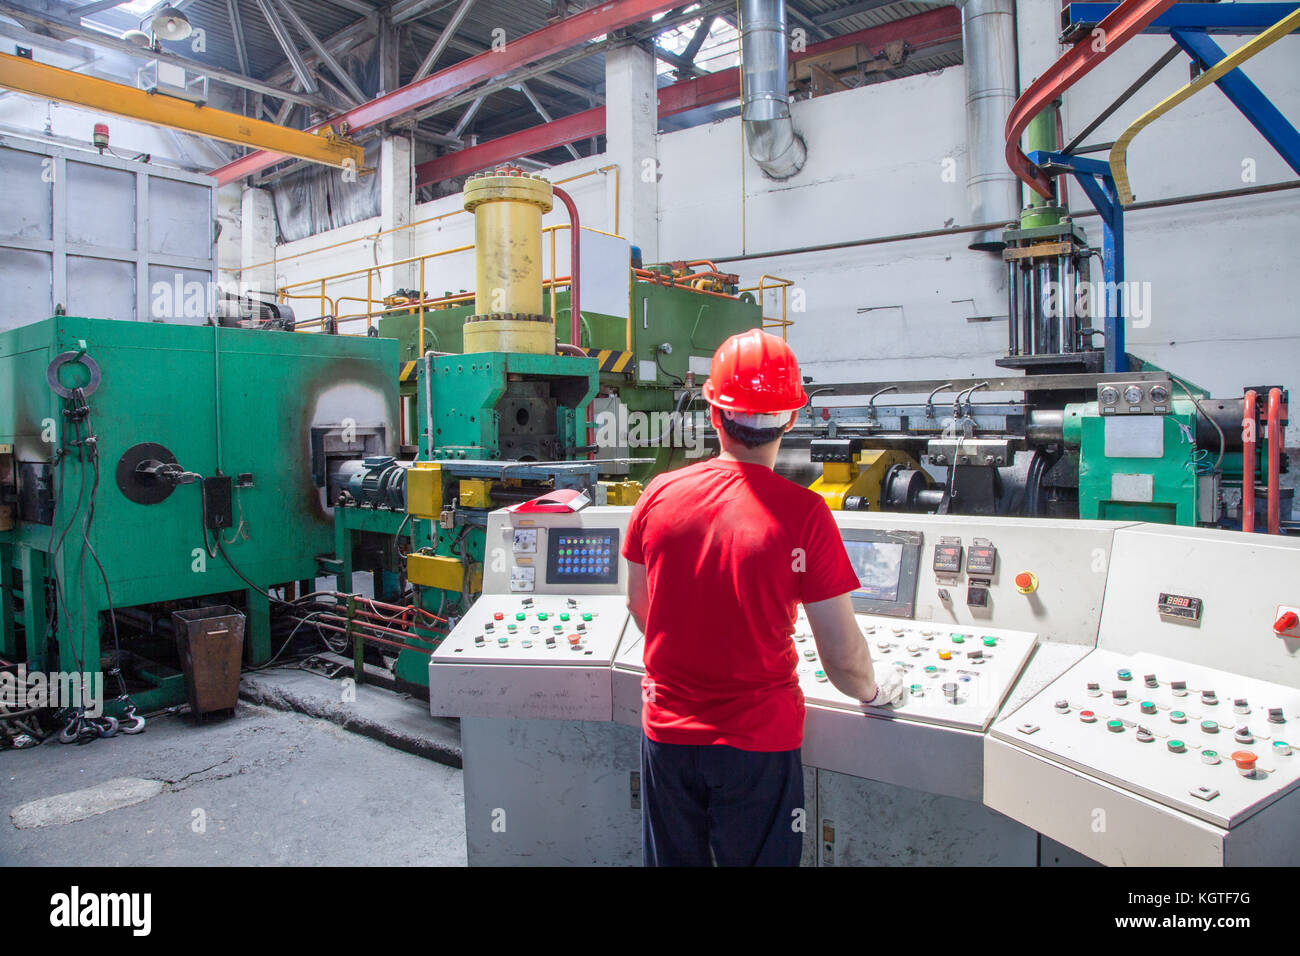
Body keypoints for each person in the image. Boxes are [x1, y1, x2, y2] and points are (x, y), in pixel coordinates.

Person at [622, 329, 905, 867]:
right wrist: (874, 692)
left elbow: (641, 606)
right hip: (757, 745)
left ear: (713, 413)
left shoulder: (657, 494)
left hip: (668, 736)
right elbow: (843, 659)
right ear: (791, 419)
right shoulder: (805, 515)